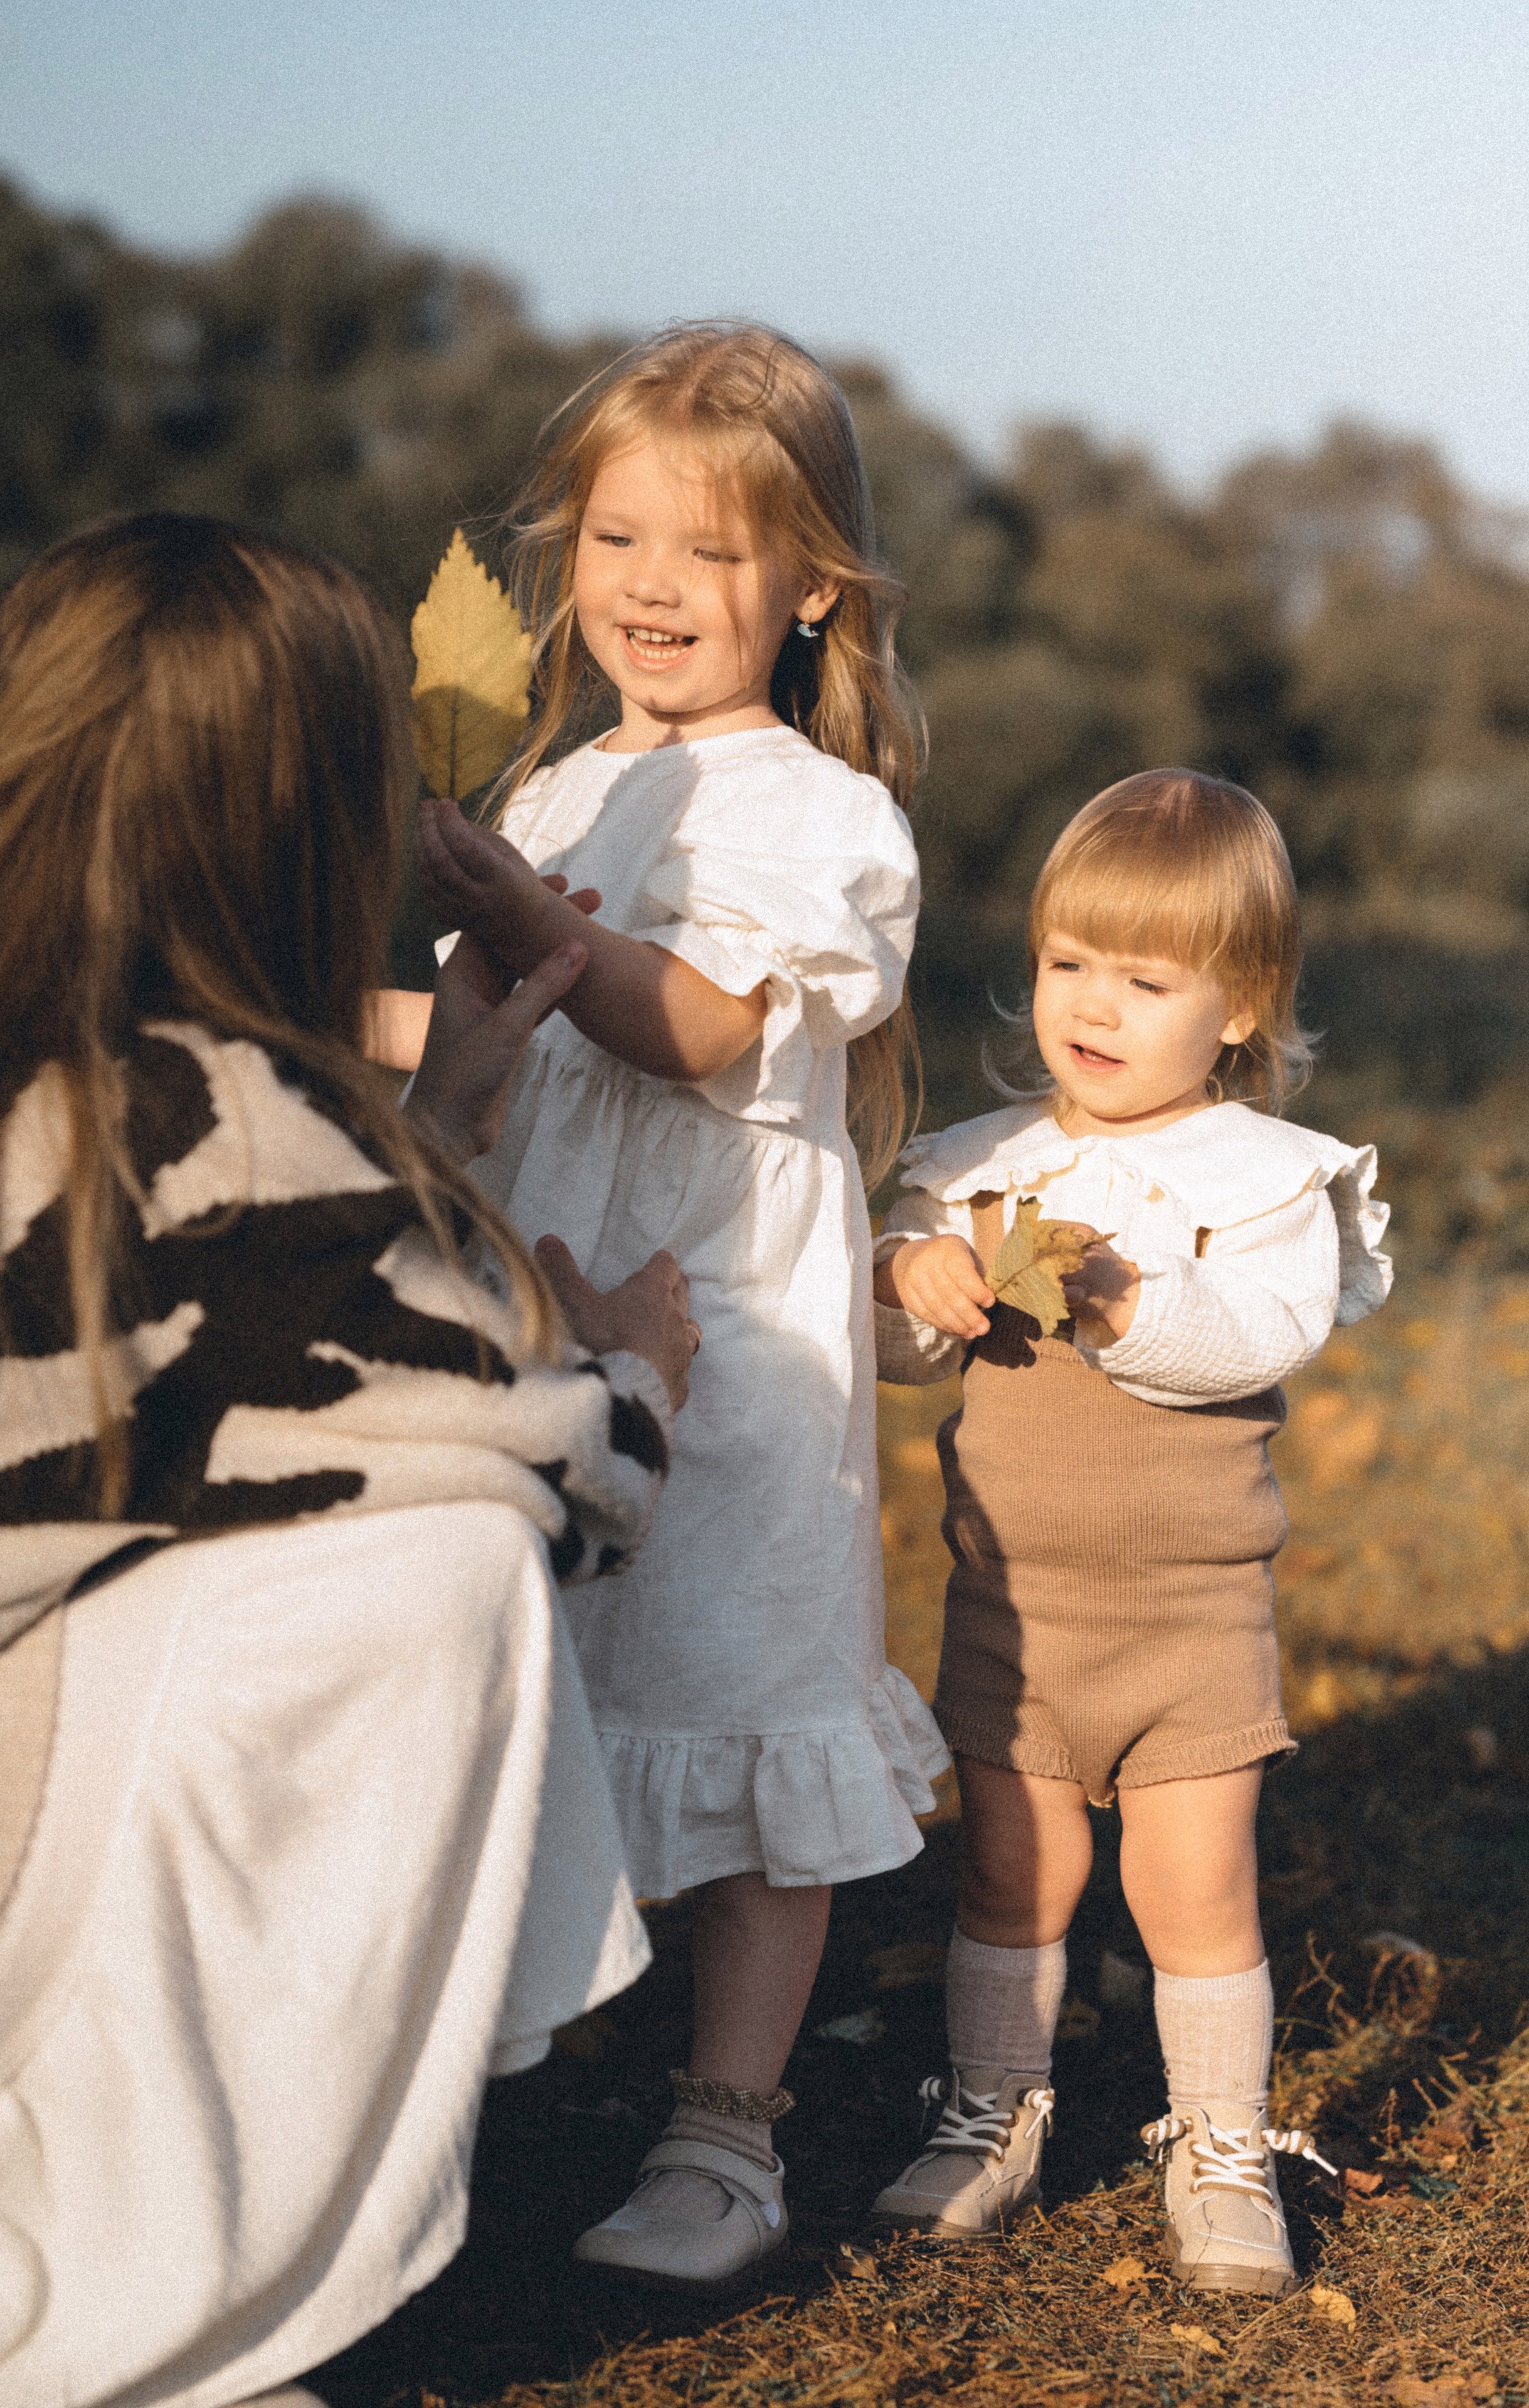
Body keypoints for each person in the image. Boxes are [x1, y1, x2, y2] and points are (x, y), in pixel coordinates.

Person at [0, 512, 697, 2407]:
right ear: (301, 827)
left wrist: (444, 1113)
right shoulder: (204, 1105)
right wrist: (636, 1380)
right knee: (447, 1561)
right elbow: (523, 1451)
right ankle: (139, 2279)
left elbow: (244, 1340)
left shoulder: (91, 1068)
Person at [412, 322, 950, 2291]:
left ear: (813, 584)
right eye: (619, 536)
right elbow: (506, 1029)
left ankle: (726, 2131)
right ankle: (455, 2092)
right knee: (516, 1692)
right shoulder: (548, 790)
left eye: (713, 554)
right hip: (546, 1311)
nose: (651, 587)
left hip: (730, 1343)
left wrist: (513, 907)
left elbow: (700, 1031)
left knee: (738, 1699)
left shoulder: (818, 819)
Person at [870, 771, 1390, 2296]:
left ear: (1236, 1006)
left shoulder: (1261, 1182)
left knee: (1191, 1887)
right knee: (1009, 1879)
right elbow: (897, 1351)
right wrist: (910, 1283)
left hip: (1187, 1618)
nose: (1091, 1006)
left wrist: (1121, 1296)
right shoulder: (981, 1171)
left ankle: (1218, 2142)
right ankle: (987, 2112)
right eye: (1065, 963)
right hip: (1014, 1605)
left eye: (1143, 980)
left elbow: (1249, 1338)